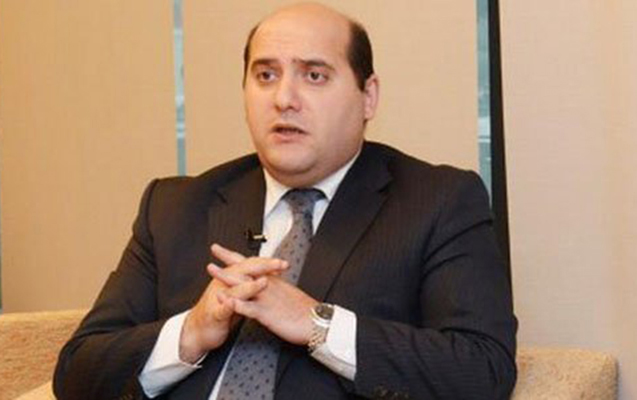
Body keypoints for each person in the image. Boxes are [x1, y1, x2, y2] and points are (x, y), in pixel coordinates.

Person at [54, 3, 517, 399]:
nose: (284, 99)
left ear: (368, 96)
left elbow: (482, 369)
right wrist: (191, 333)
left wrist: (317, 324)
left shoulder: (438, 201)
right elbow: (77, 371)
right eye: (265, 75)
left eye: (314, 75)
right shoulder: (174, 207)